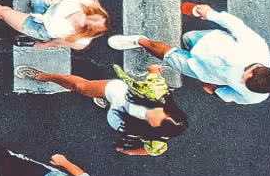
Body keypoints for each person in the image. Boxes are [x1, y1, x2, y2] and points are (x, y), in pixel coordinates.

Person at [107, 2, 270, 104]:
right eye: (245, 74)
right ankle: (171, 43)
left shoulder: (255, 96)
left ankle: (139, 41)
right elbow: (236, 25)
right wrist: (210, 13)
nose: (240, 78)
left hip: (199, 70)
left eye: (243, 81)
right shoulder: (257, 47)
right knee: (188, 37)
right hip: (208, 41)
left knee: (168, 55)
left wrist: (216, 90)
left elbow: (233, 96)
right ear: (259, 66)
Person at [16, 64, 186, 156]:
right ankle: (42, 76)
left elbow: (149, 151)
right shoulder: (158, 94)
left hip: (118, 118)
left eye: (158, 120)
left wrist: (128, 151)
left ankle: (106, 103)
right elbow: (155, 75)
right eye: (164, 113)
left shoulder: (158, 140)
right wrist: (154, 70)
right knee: (80, 86)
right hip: (122, 95)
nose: (158, 114)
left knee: (109, 109)